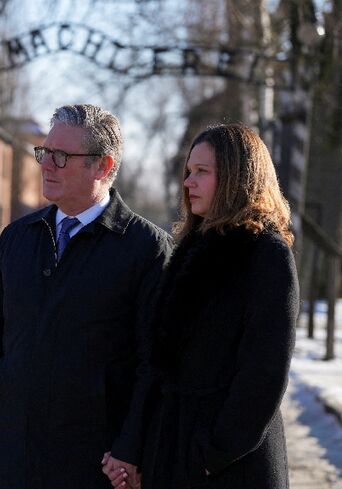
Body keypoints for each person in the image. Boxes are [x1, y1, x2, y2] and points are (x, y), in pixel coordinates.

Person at [0, 104, 171, 488]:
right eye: (44, 152)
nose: (46, 164)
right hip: (12, 455)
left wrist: (132, 448)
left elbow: (154, 364)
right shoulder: (17, 239)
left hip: (96, 464)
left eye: (61, 156)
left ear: (103, 167)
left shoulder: (147, 249)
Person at [105, 124, 298, 489]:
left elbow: (264, 373)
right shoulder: (191, 250)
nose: (188, 183)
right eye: (188, 172)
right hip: (175, 452)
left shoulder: (265, 254)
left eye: (202, 172)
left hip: (231, 467)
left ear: (237, 177)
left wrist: (212, 455)